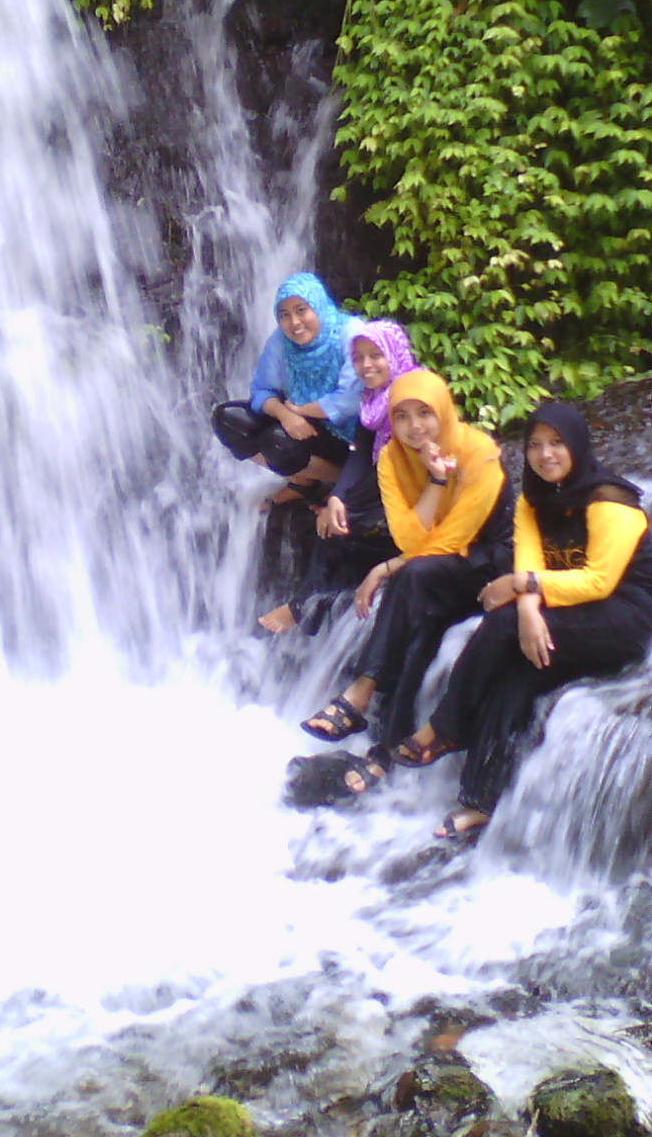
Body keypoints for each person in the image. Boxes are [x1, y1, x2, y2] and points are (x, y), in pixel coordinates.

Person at [391, 399, 652, 843]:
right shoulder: (535, 498)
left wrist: (520, 587)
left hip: (625, 616)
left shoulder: (613, 503)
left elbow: (598, 581)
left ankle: (445, 728)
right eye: (535, 445)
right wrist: (528, 607)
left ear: (577, 445)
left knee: (499, 627)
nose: (545, 455)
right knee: (516, 674)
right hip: (567, 611)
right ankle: (481, 801)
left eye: (557, 443)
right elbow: (532, 558)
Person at [298, 369, 512, 781]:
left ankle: (361, 691)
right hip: (435, 568)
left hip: (493, 561)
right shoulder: (393, 458)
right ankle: (385, 751)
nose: (415, 427)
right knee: (420, 632)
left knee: (410, 580)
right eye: (402, 416)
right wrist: (435, 481)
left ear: (445, 411)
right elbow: (409, 536)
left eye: (425, 414)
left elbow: (459, 535)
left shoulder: (478, 453)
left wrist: (388, 565)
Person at [257, 320, 423, 637]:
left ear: (394, 354)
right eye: (358, 358)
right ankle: (310, 617)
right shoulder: (374, 399)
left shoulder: (412, 398)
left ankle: (299, 609)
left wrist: (350, 507)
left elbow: (409, 471)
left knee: (341, 531)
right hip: (388, 492)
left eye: (376, 355)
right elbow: (361, 455)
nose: (366, 365)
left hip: (421, 505)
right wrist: (337, 498)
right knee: (336, 526)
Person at [211, 272, 362, 499]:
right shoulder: (282, 342)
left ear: (318, 304)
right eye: (285, 315)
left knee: (277, 441)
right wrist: (285, 414)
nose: (294, 323)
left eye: (302, 310)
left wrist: (300, 411)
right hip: (306, 424)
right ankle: (305, 480)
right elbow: (261, 391)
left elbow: (351, 401)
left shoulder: (350, 333)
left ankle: (351, 485)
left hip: (355, 437)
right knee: (229, 419)